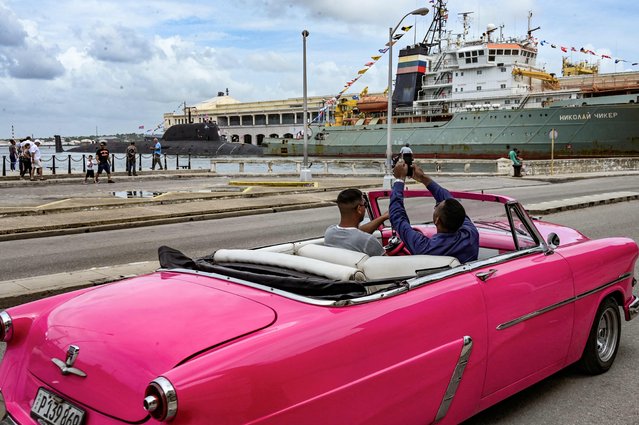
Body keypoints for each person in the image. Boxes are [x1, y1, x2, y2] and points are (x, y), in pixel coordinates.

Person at [390, 159, 479, 263]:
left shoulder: (426, 248)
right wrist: (423, 178)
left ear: (437, 220)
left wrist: (400, 179)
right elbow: (448, 199)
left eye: (437, 207)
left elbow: (397, 217)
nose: (436, 205)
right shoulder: (471, 234)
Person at [324, 188, 390, 257]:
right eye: (365, 204)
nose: (365, 207)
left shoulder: (329, 232)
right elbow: (388, 264)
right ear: (359, 209)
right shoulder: (368, 241)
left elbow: (355, 233)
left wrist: (383, 217)